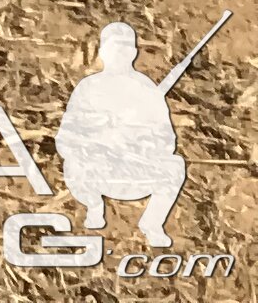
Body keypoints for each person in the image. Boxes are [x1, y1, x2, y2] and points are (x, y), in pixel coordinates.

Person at [56, 24, 189, 247]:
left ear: (134, 52)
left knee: (174, 165)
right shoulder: (88, 87)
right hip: (96, 170)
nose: (120, 53)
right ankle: (94, 207)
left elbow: (166, 139)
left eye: (127, 47)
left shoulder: (146, 88)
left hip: (133, 171)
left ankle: (153, 223)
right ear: (103, 51)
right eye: (114, 47)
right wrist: (96, 141)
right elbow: (66, 136)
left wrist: (142, 145)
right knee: (74, 164)